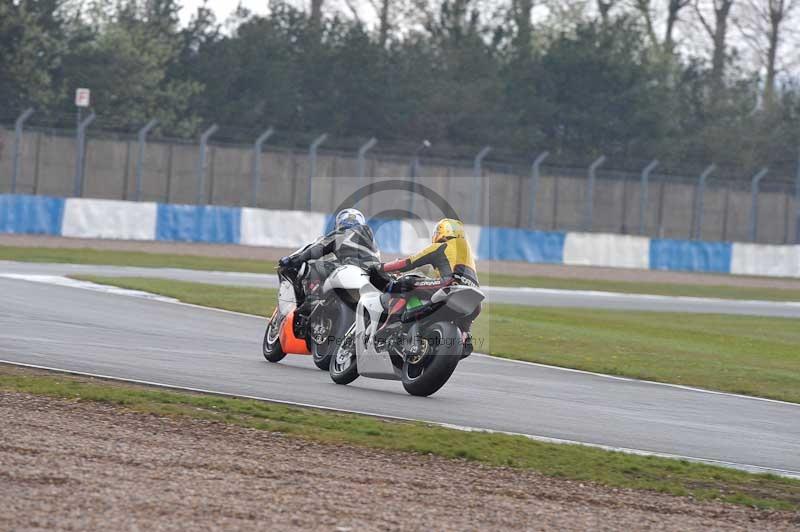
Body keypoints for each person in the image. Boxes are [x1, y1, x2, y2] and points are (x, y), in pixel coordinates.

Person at [369, 218, 480, 356]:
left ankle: (392, 322)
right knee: (465, 323)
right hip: (474, 298)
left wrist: (381, 267)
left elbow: (408, 262)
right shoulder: (467, 252)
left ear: (441, 232)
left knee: (406, 283)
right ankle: (464, 338)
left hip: (450, 285)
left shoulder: (442, 246)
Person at [278, 208, 379, 313]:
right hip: (373, 274)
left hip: (352, 267)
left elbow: (317, 249)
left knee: (314, 266)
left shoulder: (343, 232)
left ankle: (313, 300)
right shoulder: (371, 240)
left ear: (339, 222)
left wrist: (297, 259)